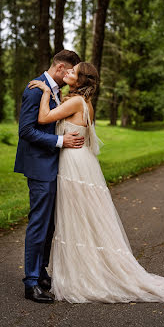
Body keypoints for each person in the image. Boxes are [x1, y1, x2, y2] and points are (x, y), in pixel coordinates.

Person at [28, 62, 164, 303]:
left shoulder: (75, 102)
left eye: (73, 72)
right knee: (81, 218)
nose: (68, 73)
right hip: (81, 161)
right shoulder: (84, 102)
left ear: (81, 80)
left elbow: (44, 117)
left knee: (75, 217)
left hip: (73, 163)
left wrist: (46, 92)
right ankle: (86, 270)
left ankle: (84, 275)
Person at [14, 50, 85, 304]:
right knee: (38, 223)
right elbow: (26, 130)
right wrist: (60, 140)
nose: (71, 76)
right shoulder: (35, 89)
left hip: (52, 166)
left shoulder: (53, 90)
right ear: (61, 68)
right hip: (39, 166)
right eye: (71, 71)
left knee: (50, 224)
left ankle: (42, 273)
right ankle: (30, 283)